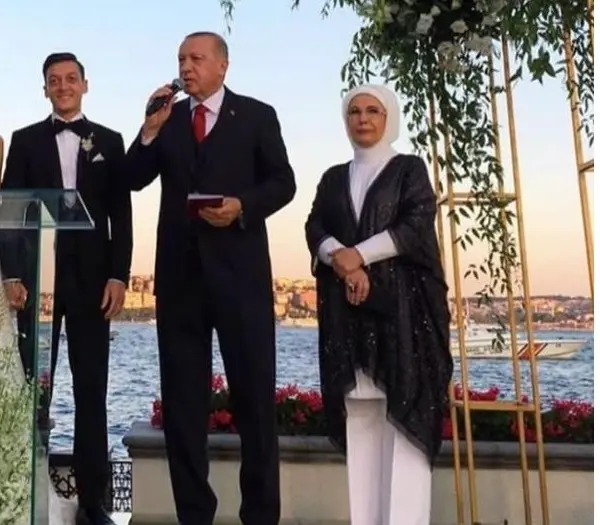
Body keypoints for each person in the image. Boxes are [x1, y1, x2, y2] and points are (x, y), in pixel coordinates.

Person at [125, 32, 296, 525]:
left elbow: (283, 182)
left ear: (223, 65)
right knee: (183, 408)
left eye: (196, 58)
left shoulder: (257, 116)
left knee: (255, 404)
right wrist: (149, 130)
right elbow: (132, 177)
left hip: (241, 279)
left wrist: (242, 206)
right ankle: (194, 515)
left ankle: (260, 516)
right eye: (181, 58)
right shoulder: (169, 119)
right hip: (180, 281)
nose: (186, 66)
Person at [305, 84, 453, 525]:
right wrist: (341, 259)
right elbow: (315, 226)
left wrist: (359, 255)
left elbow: (415, 226)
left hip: (402, 321)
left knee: (404, 438)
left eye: (373, 110)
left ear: (389, 118)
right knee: (362, 428)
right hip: (347, 321)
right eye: (354, 111)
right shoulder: (333, 178)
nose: (363, 119)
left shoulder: (409, 170)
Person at [1, 52, 133, 525]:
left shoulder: (110, 142)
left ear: (85, 84)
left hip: (93, 284)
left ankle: (93, 503)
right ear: (44, 89)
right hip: (36, 285)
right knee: (33, 393)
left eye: (70, 78)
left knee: (91, 390)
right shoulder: (24, 140)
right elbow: (9, 212)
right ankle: (25, 491)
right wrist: (11, 275)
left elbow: (121, 214)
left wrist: (119, 275)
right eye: (54, 80)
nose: (63, 86)